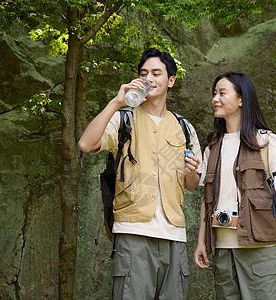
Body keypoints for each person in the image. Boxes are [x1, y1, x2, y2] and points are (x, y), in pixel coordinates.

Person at [78, 48, 202, 300]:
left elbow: (192, 184)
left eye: (157, 73)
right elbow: (86, 144)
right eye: (144, 73)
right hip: (133, 233)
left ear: (171, 81)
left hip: (173, 235)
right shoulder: (123, 119)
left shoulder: (184, 128)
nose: (149, 78)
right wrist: (116, 101)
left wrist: (191, 172)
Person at [194, 72, 276, 299]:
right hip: (223, 250)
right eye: (213, 94)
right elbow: (206, 201)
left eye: (222, 93)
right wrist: (201, 242)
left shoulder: (265, 140)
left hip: (258, 247)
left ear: (241, 99)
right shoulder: (211, 148)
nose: (215, 99)